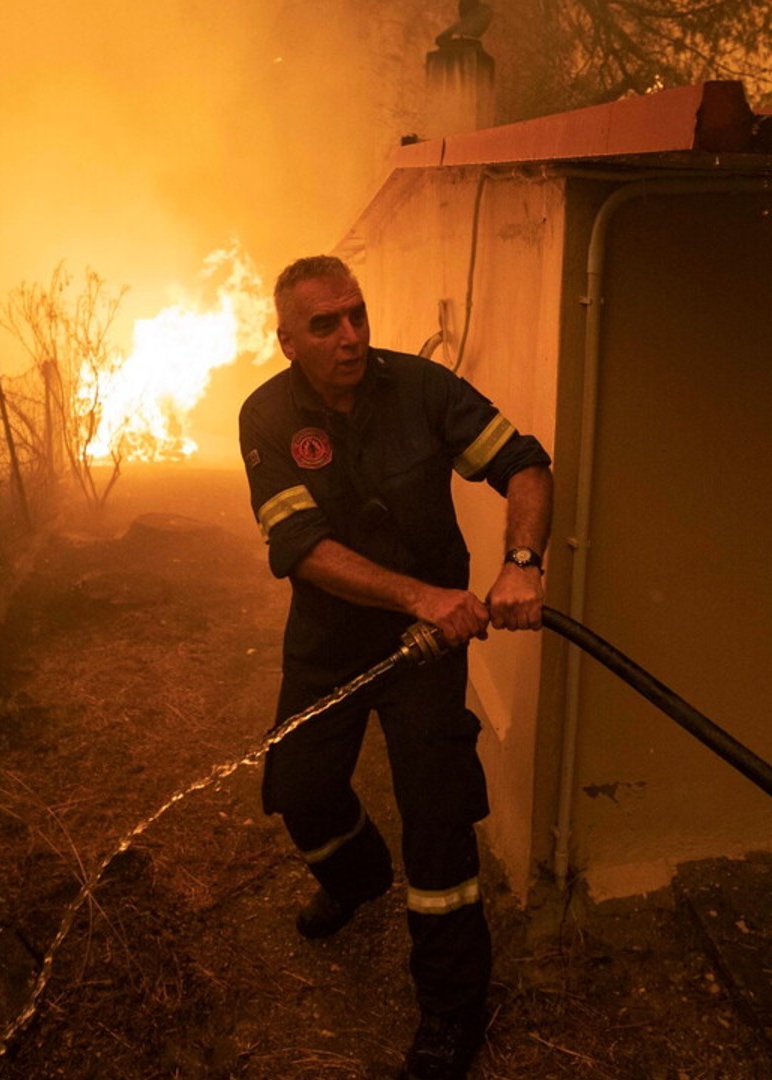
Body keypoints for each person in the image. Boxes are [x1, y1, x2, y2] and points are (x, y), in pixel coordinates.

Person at [238, 255, 552, 1080]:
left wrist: (521, 560)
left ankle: (452, 1009)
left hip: (428, 655)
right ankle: (356, 877)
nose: (349, 336)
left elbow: (523, 462)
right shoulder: (267, 417)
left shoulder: (423, 389)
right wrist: (422, 596)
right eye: (324, 325)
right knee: (299, 787)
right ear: (287, 341)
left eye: (357, 315)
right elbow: (300, 548)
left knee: (438, 817)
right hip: (332, 640)